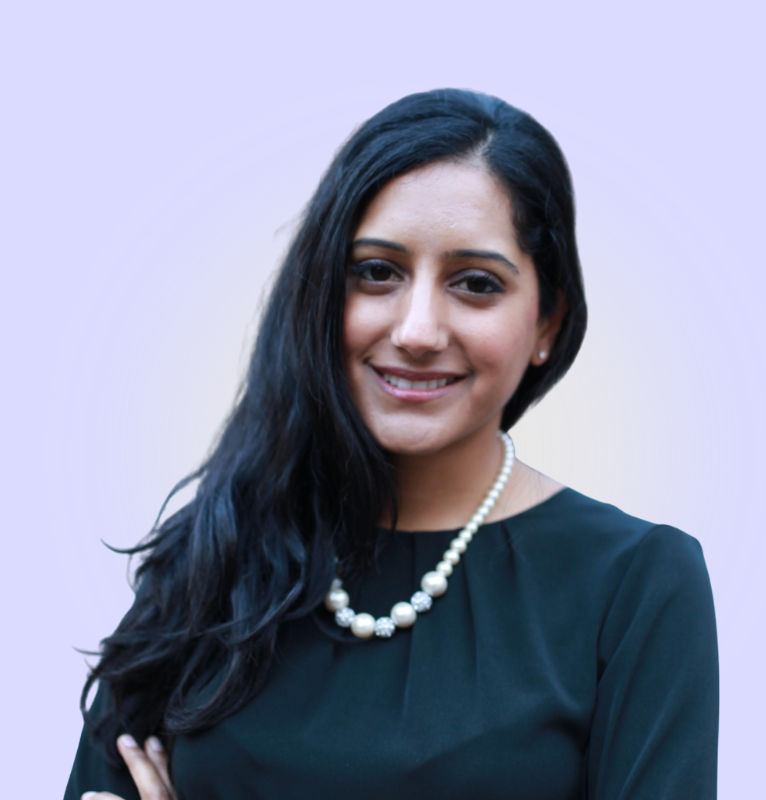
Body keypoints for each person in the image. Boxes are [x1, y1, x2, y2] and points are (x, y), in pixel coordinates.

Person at [65, 89, 719, 800]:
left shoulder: (635, 586)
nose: (416, 331)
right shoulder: (213, 553)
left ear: (547, 324)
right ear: (321, 292)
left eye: (476, 284)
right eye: (377, 271)